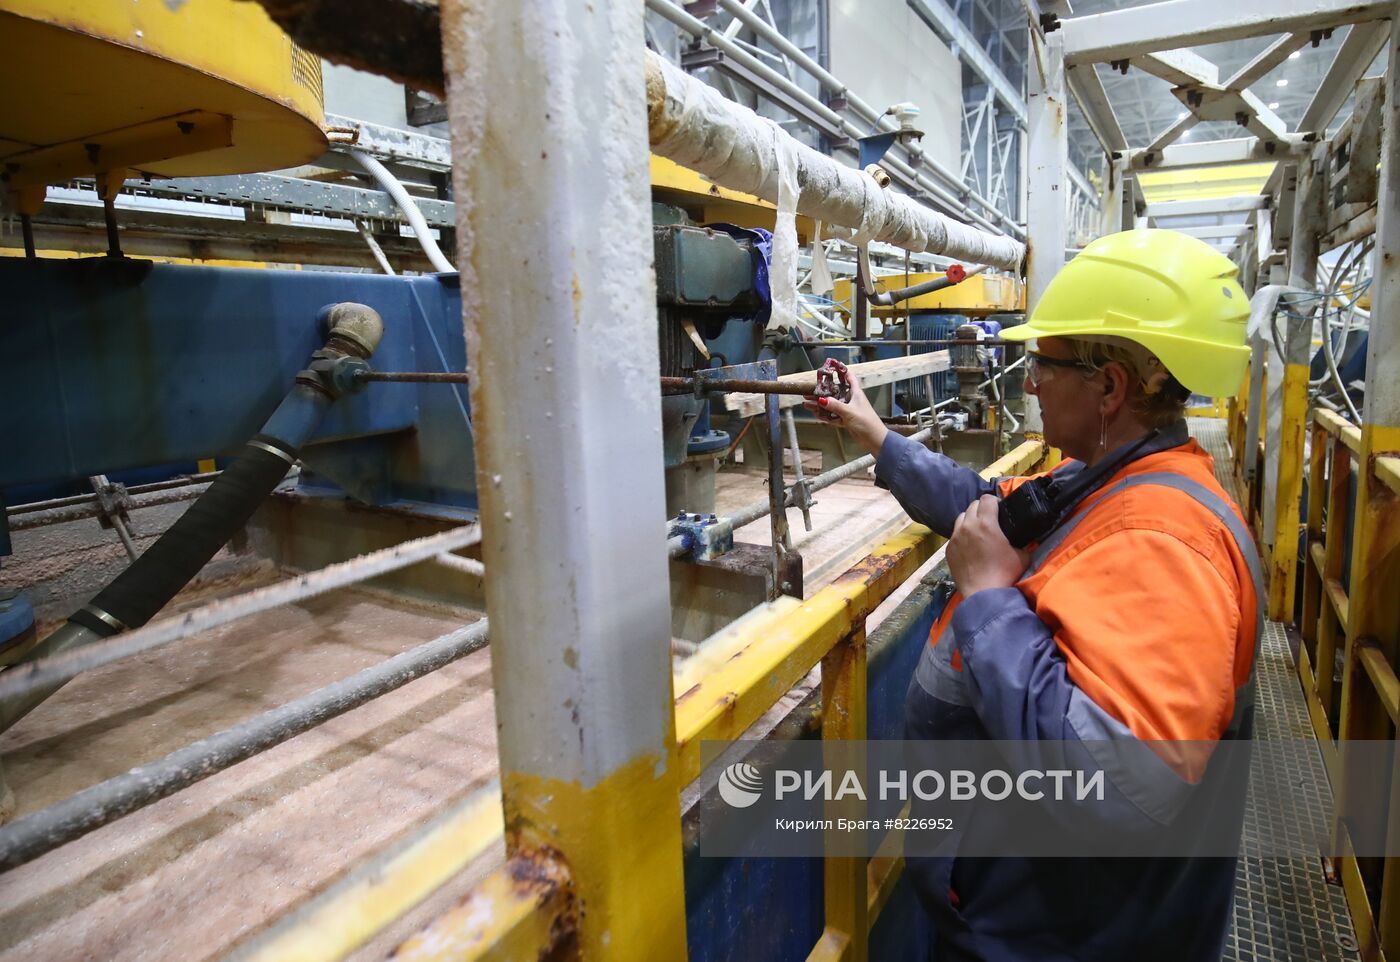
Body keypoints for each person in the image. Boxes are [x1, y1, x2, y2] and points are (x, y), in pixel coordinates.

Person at [805, 229, 1261, 961]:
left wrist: (986, 598)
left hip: (1068, 937)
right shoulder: (1106, 478)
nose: (1028, 384)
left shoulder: (1163, 542)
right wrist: (875, 435)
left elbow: (1124, 788)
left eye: (1041, 365)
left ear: (1108, 387)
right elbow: (986, 500)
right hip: (1031, 911)